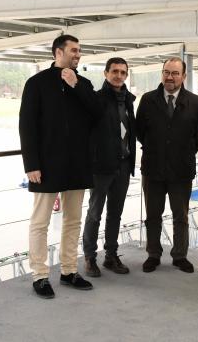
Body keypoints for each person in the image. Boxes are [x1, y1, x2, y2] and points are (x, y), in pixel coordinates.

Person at [19, 34, 102, 299]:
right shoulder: (36, 84)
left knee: (73, 220)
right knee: (40, 222)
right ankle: (40, 275)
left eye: (79, 51)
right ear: (58, 52)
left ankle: (68, 271)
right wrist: (31, 163)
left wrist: (76, 86)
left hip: (77, 164)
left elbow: (98, 114)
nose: (78, 55)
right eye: (74, 50)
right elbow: (27, 126)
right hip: (46, 164)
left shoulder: (85, 83)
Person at [135, 57, 198, 273]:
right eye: (166, 72)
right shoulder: (147, 100)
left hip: (181, 170)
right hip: (153, 169)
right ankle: (153, 254)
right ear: (162, 74)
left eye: (175, 73)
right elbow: (139, 132)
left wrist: (181, 152)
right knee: (153, 215)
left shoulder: (196, 103)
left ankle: (180, 255)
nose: (170, 77)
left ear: (184, 76)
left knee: (180, 216)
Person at [83, 57, 136, 278]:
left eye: (123, 72)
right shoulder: (96, 99)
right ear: (106, 73)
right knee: (95, 213)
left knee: (115, 213)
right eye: (114, 71)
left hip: (123, 165)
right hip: (101, 167)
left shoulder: (128, 101)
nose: (119, 76)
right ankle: (90, 257)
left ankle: (111, 255)